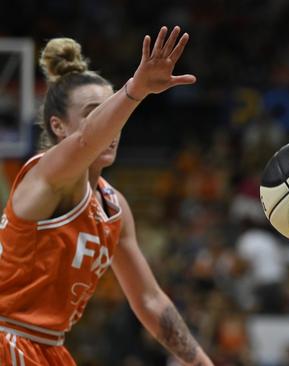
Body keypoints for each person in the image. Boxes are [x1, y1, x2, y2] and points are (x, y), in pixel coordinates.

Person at [0, 26, 213, 365]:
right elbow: (86, 140)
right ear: (58, 127)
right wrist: (134, 90)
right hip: (8, 337)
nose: (113, 129)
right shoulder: (47, 175)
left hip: (50, 347)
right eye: (94, 113)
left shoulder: (114, 206)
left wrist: (201, 362)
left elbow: (149, 300)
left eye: (111, 112)